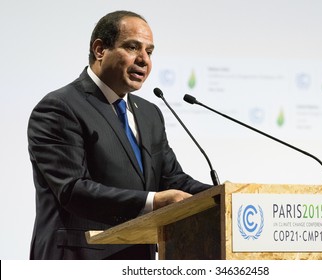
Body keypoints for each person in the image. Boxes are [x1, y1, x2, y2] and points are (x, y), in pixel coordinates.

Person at [27, 10, 212, 260]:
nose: (144, 60)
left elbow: (173, 180)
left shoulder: (149, 114)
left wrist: (224, 196)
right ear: (100, 50)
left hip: (136, 259)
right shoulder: (60, 107)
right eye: (133, 47)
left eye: (149, 51)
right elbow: (73, 190)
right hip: (78, 259)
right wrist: (153, 202)